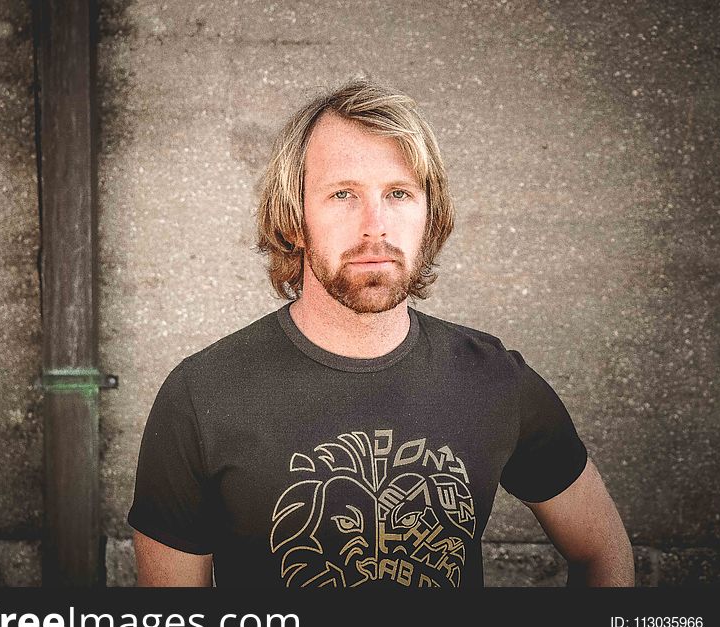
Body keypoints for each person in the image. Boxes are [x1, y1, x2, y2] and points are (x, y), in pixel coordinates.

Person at [128, 79, 634, 588]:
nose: (376, 226)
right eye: (343, 194)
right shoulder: (201, 396)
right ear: (294, 219)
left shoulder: (498, 382)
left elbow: (603, 553)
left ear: (428, 215)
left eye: (398, 193)